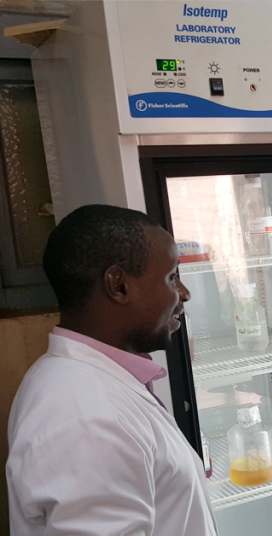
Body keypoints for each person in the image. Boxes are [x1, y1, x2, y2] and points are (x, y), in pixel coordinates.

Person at [7, 205, 218, 535]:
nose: (184, 294)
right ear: (118, 286)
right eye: (172, 277)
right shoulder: (88, 421)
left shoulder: (79, 382)